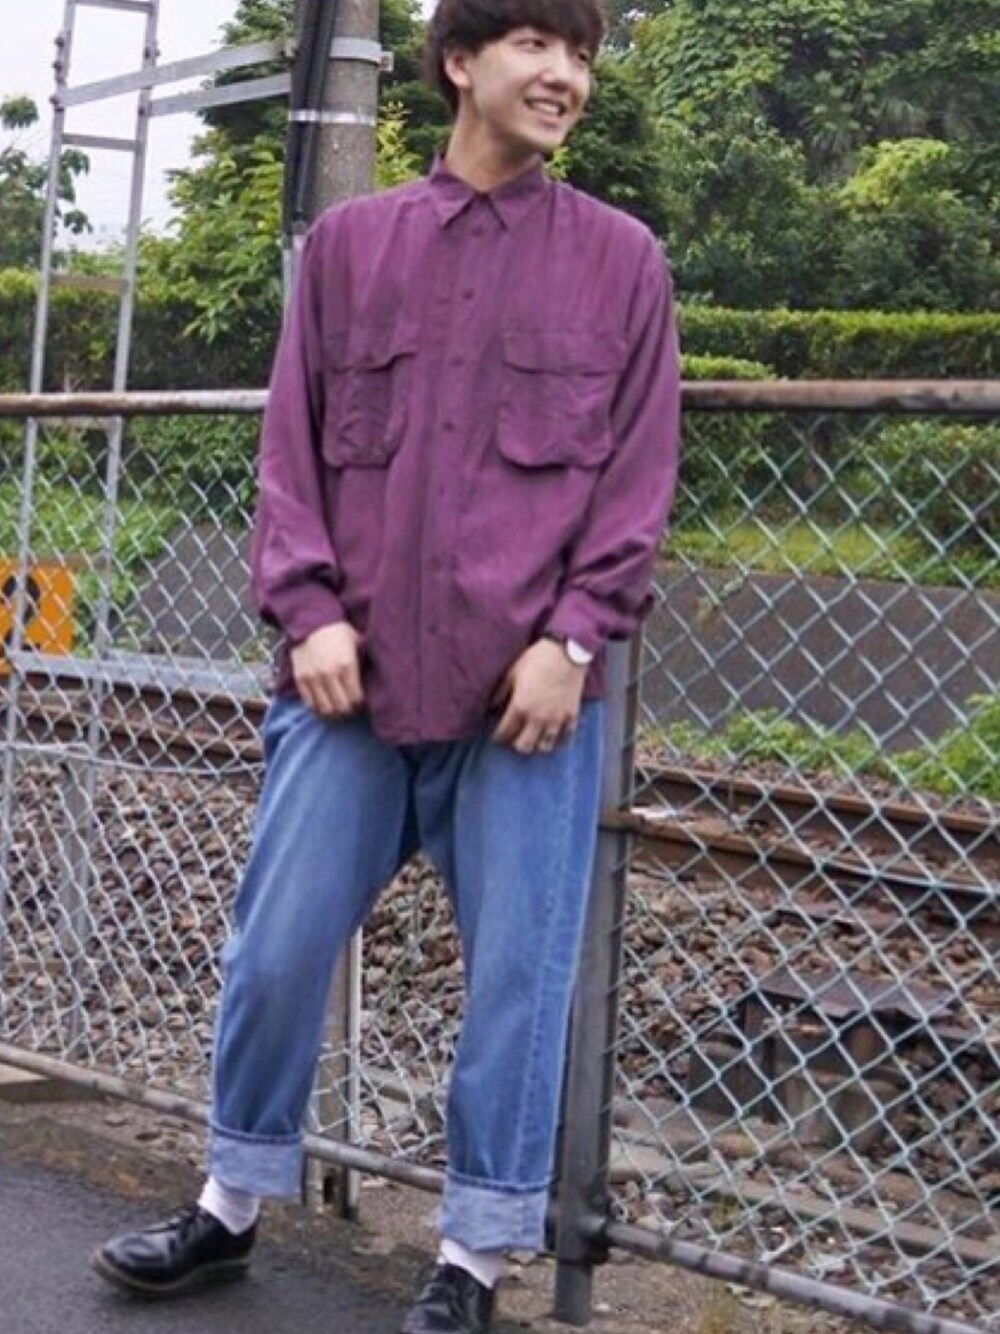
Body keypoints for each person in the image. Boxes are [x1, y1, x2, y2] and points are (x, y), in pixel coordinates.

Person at [91, 1, 681, 1330]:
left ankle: (472, 1258)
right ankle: (231, 1201)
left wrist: (575, 637)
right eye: (537, 44)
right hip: (346, 685)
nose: (566, 75)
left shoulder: (621, 263)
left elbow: (640, 478)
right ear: (461, 63)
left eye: (583, 56)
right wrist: (306, 612)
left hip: (525, 700)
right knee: (277, 947)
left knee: (518, 982)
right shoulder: (349, 251)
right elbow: (290, 457)